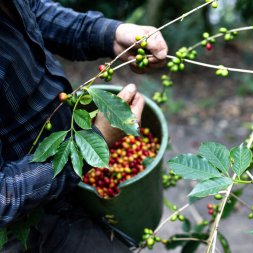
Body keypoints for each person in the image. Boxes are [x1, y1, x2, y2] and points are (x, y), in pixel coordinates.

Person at [0, 0, 168, 252]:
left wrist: (109, 34)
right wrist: (92, 143)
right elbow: (4, 196)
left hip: (66, 173)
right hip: (30, 217)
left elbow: (32, 11)